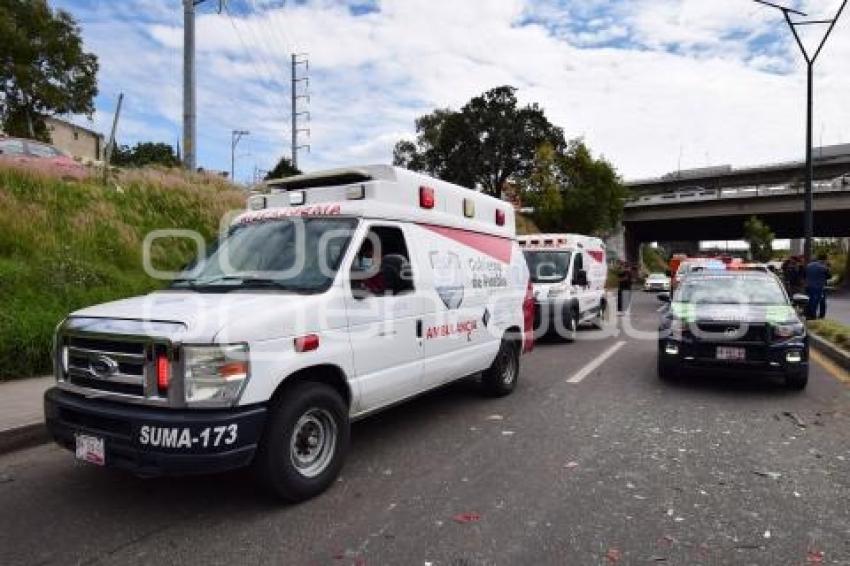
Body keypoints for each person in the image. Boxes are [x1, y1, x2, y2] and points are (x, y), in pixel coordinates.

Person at [804, 253, 831, 319]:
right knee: (820, 301)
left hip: (809, 286)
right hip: (819, 286)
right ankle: (820, 316)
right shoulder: (823, 267)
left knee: (810, 300)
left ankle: (809, 315)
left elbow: (804, 275)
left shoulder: (809, 265)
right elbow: (829, 276)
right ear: (825, 259)